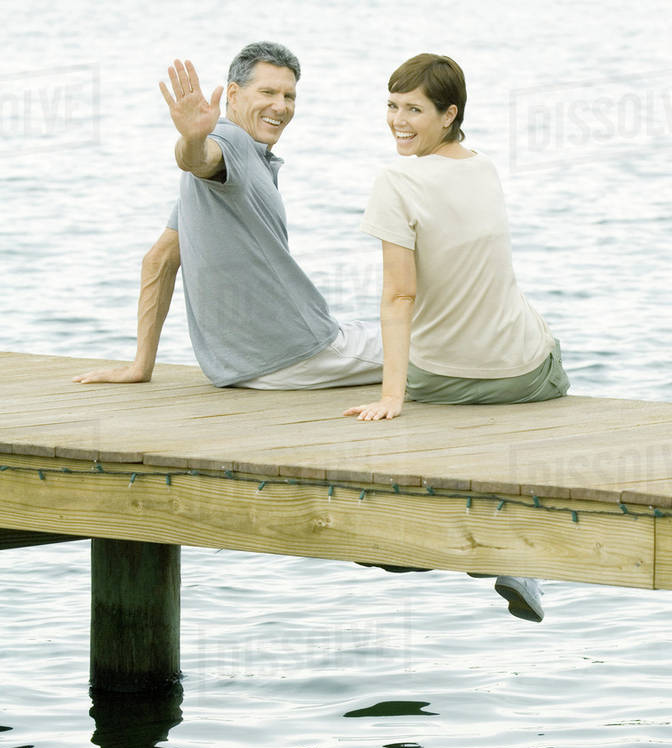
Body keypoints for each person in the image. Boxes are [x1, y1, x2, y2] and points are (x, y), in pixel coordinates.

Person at [344, 53, 570, 622]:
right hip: (524, 375)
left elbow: (399, 296)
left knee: (370, 370)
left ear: (449, 114)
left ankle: (426, 544)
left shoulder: (395, 180)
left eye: (413, 109)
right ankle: (508, 551)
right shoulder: (485, 167)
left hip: (438, 379)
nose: (398, 120)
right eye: (392, 106)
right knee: (536, 343)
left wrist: (392, 396)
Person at [74, 43, 382, 390]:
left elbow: (158, 260)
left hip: (241, 366)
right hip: (298, 353)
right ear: (233, 95)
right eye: (267, 92)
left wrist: (141, 366)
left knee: (398, 328)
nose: (280, 106)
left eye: (289, 96)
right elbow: (198, 158)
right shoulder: (230, 141)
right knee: (433, 345)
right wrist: (192, 138)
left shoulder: (219, 176)